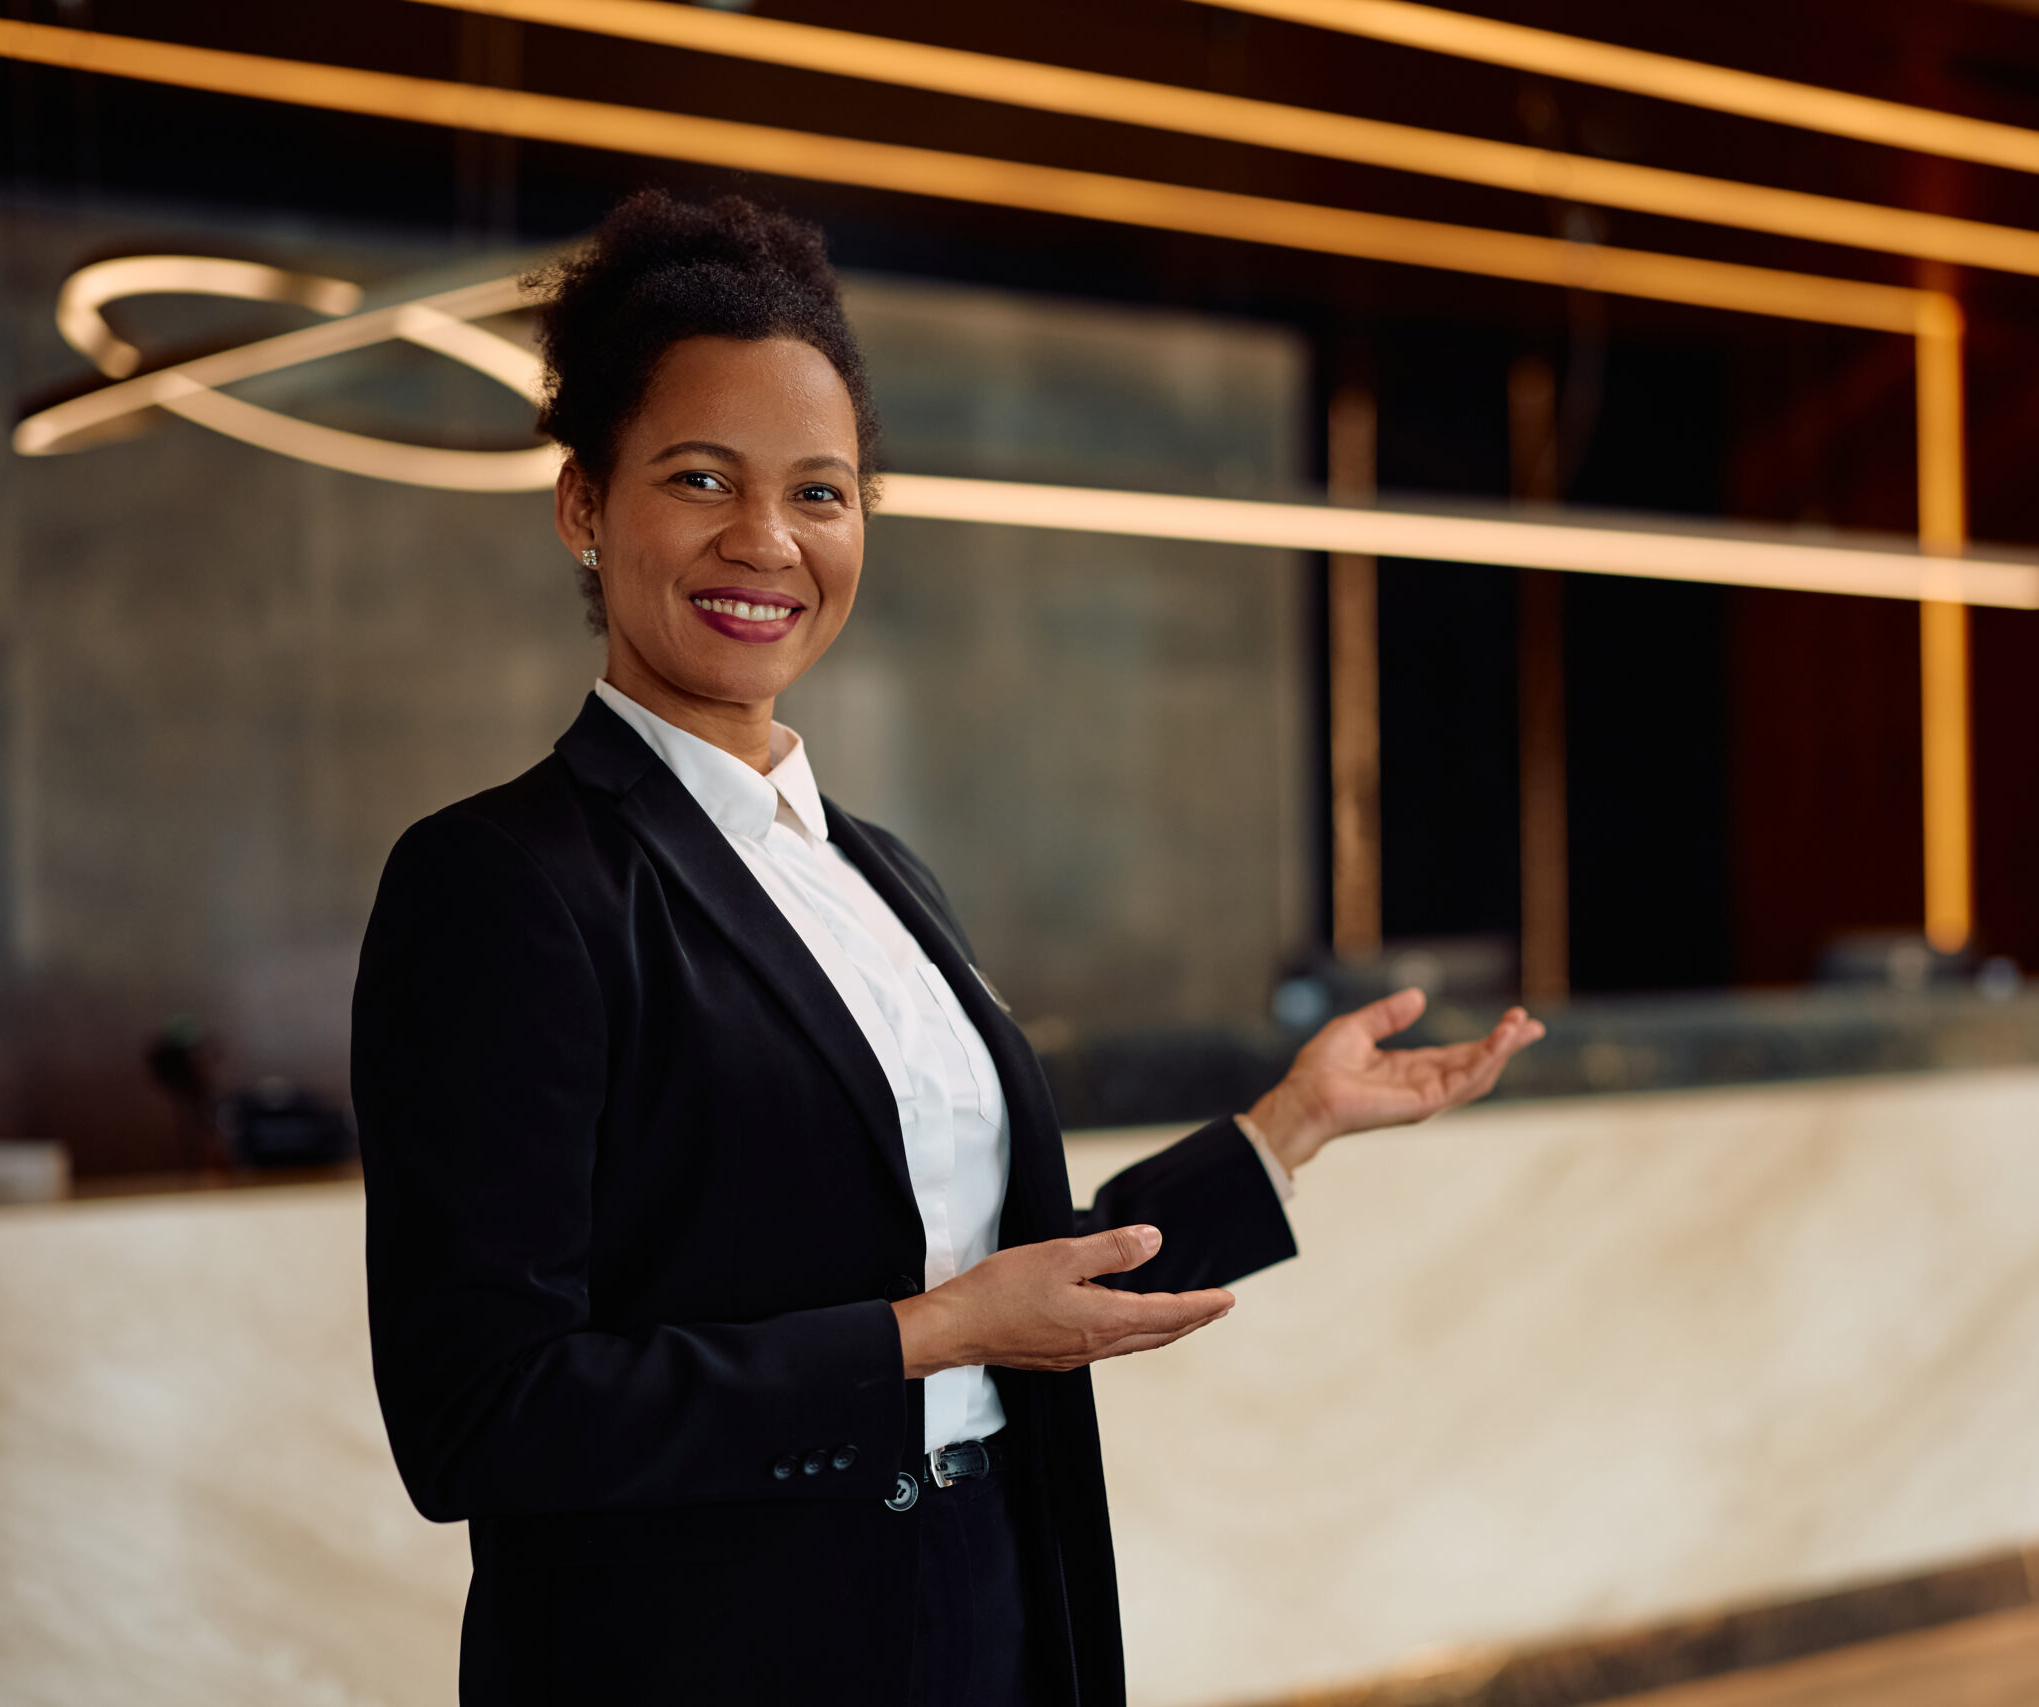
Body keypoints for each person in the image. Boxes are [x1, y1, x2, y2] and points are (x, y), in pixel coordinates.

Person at [352, 189, 1544, 1707]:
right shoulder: (504, 883)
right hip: (701, 1662)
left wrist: (1283, 1132)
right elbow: (484, 1415)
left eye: (822, 493)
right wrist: (928, 1340)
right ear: (585, 504)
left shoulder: (879, 876)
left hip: (981, 1619)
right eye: (700, 477)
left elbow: (985, 1274)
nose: (765, 541)